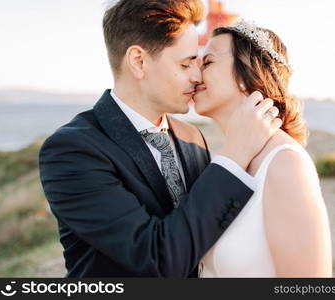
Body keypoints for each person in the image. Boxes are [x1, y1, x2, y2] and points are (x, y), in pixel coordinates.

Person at [38, 1, 281, 277]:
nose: (197, 76)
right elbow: (156, 259)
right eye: (186, 63)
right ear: (139, 62)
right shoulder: (72, 152)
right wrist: (235, 154)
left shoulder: (193, 138)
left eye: (199, 62)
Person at [194, 19, 332, 277]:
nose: (195, 74)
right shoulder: (225, 159)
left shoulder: (284, 164)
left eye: (208, 62)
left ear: (248, 76)